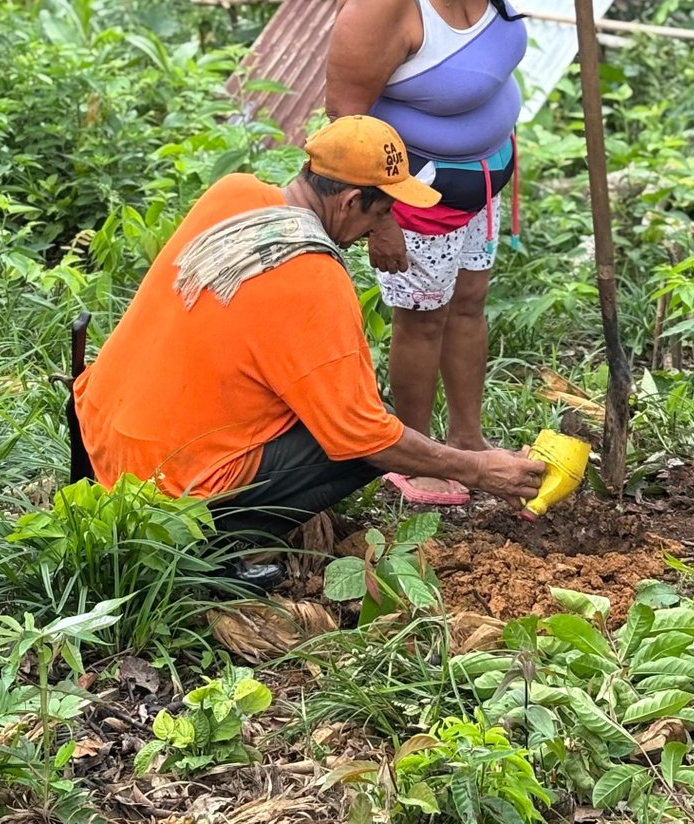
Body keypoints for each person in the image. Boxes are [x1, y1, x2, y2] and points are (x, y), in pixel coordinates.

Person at [73, 114, 545, 588]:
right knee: (366, 440)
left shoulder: (233, 193)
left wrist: (381, 217)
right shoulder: (315, 280)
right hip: (164, 495)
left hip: (103, 435)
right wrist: (477, 468)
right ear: (351, 201)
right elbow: (365, 436)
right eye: (381, 213)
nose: (380, 228)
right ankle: (207, 554)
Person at [325, 0, 598, 507]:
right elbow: (345, 116)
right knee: (422, 319)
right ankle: (418, 456)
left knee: (469, 303)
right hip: (414, 191)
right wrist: (381, 218)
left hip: (483, 177)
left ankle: (467, 439)